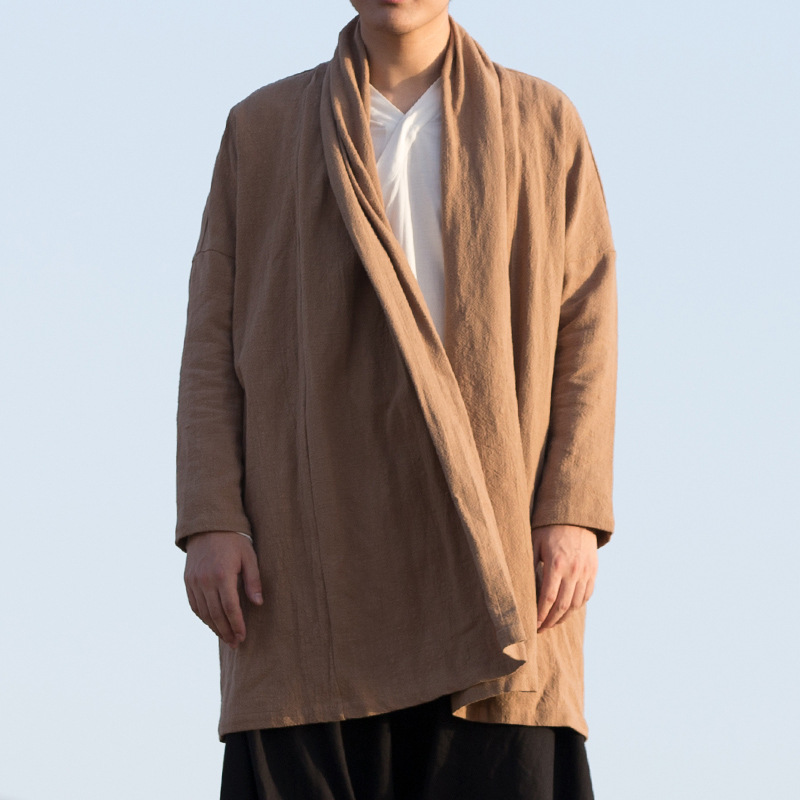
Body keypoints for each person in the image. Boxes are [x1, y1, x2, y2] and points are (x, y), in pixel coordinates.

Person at [176, 1, 617, 798]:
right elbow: (212, 340)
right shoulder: (263, 129)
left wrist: (572, 511)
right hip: (309, 561)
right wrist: (212, 519)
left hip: (498, 551)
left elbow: (585, 325)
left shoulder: (543, 120)